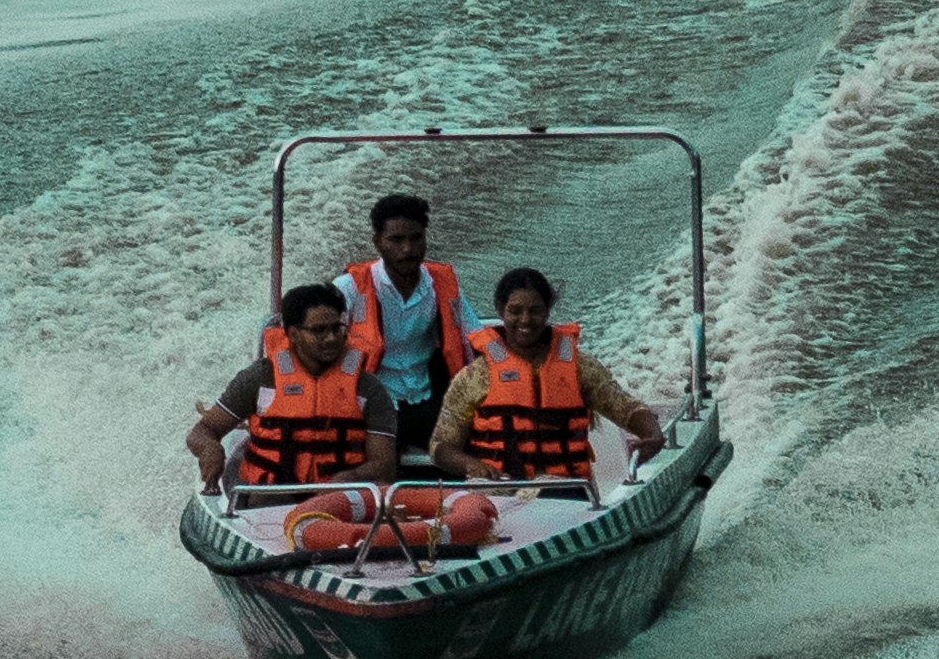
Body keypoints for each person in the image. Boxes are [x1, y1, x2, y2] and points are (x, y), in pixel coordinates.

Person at [429, 267, 666, 485]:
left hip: (567, 491)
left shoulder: (581, 368)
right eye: (515, 311)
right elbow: (441, 446)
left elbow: (625, 407)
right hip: (497, 491)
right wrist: (471, 464)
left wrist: (653, 435)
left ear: (547, 310)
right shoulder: (474, 376)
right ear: (501, 311)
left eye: (535, 311)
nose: (525, 320)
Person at [192, 283, 395, 491]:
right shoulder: (260, 378)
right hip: (270, 494)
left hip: (339, 498)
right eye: (318, 330)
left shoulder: (368, 387)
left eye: (336, 328)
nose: (331, 338)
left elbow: (384, 464)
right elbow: (203, 430)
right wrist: (209, 448)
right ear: (293, 333)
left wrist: (351, 476)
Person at [328, 191, 476, 443]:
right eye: (396, 240)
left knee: (476, 449)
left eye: (415, 238)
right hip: (369, 402)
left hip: (428, 399)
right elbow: (317, 339)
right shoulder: (349, 287)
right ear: (377, 242)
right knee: (380, 468)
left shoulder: (442, 286)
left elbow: (474, 336)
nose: (407, 249)